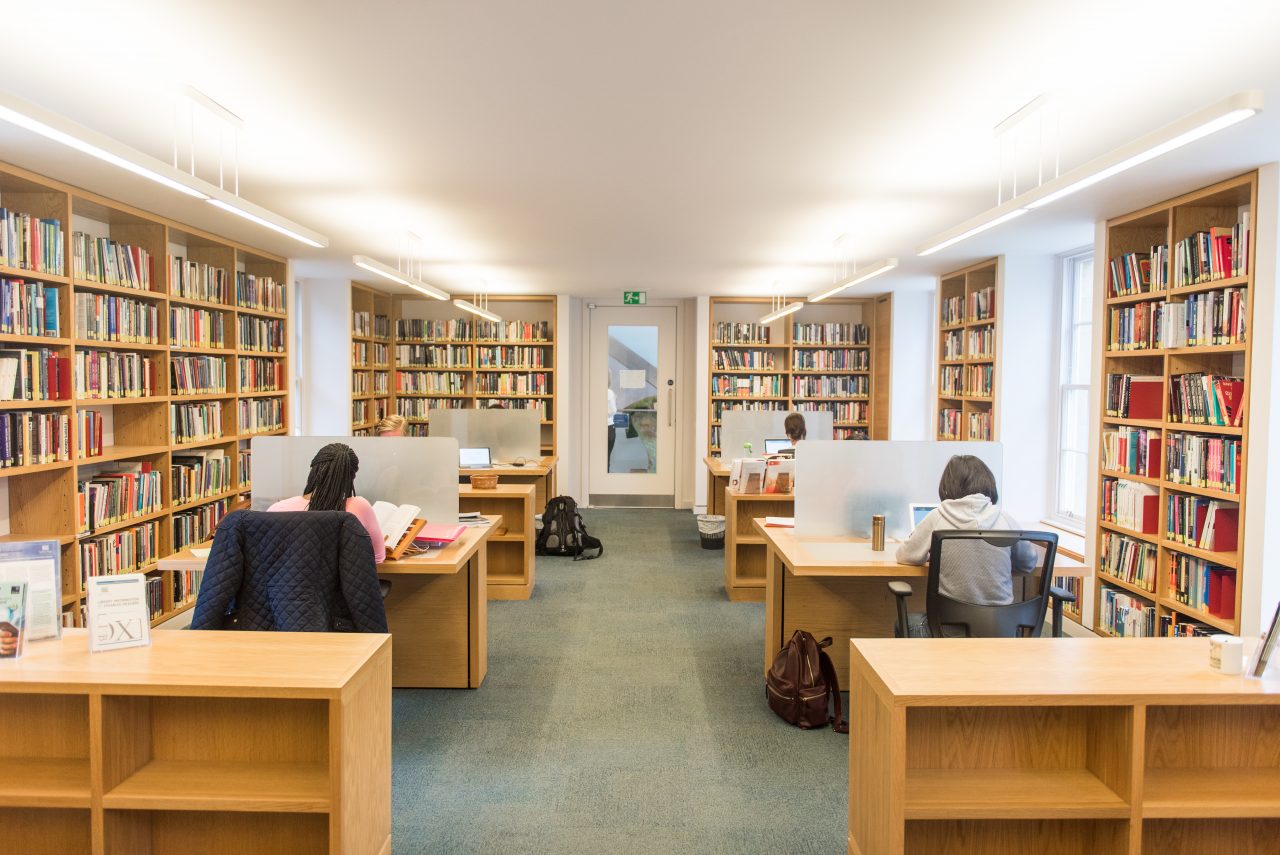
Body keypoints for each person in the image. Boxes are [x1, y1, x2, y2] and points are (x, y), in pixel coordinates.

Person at [895, 454, 1036, 606]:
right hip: (1001, 624)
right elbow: (1027, 563)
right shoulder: (1005, 519)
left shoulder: (938, 516)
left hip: (947, 624)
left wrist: (931, 555)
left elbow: (905, 555)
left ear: (948, 485)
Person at [268, 443, 387, 563]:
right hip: (341, 582)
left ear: (314, 470)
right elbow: (378, 557)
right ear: (351, 477)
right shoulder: (359, 506)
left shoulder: (277, 509)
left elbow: (266, 559)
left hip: (285, 581)